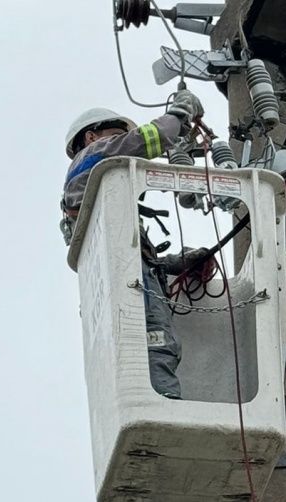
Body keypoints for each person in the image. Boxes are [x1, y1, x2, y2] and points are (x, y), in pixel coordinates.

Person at [60, 90, 207, 399]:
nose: (123, 140)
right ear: (91, 136)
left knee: (153, 346)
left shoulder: (105, 206)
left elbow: (130, 257)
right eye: (117, 134)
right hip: (131, 286)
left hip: (128, 282)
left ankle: (161, 409)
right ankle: (164, 410)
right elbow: (150, 137)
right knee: (153, 345)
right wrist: (181, 113)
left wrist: (179, 262)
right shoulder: (92, 157)